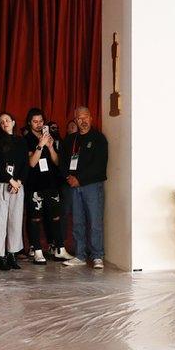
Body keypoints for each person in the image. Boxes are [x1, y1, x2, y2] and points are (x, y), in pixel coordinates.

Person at [23, 108, 73, 264]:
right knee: (35, 218)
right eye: (35, 122)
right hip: (35, 184)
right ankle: (37, 250)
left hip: (51, 183)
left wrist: (50, 147)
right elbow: (31, 163)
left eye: (41, 121)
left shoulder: (51, 137)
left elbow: (57, 162)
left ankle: (60, 249)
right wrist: (40, 145)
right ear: (29, 123)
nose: (39, 125)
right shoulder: (27, 139)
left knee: (56, 217)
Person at [60, 107, 108, 268]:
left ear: (91, 117)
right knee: (78, 221)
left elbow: (99, 165)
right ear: (75, 121)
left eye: (85, 117)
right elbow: (63, 162)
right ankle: (80, 255)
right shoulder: (70, 140)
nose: (83, 121)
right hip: (72, 186)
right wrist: (69, 177)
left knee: (94, 221)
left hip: (92, 186)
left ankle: (97, 256)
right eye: (79, 118)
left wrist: (79, 179)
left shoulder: (99, 138)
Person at [0, 113, 28, 270]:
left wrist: (18, 182)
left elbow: (24, 163)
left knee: (15, 221)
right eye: (2, 122)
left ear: (13, 122)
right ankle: (0, 255)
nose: (5, 123)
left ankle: (12, 254)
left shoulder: (21, 141)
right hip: (1, 184)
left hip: (17, 186)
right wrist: (10, 180)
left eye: (7, 120)